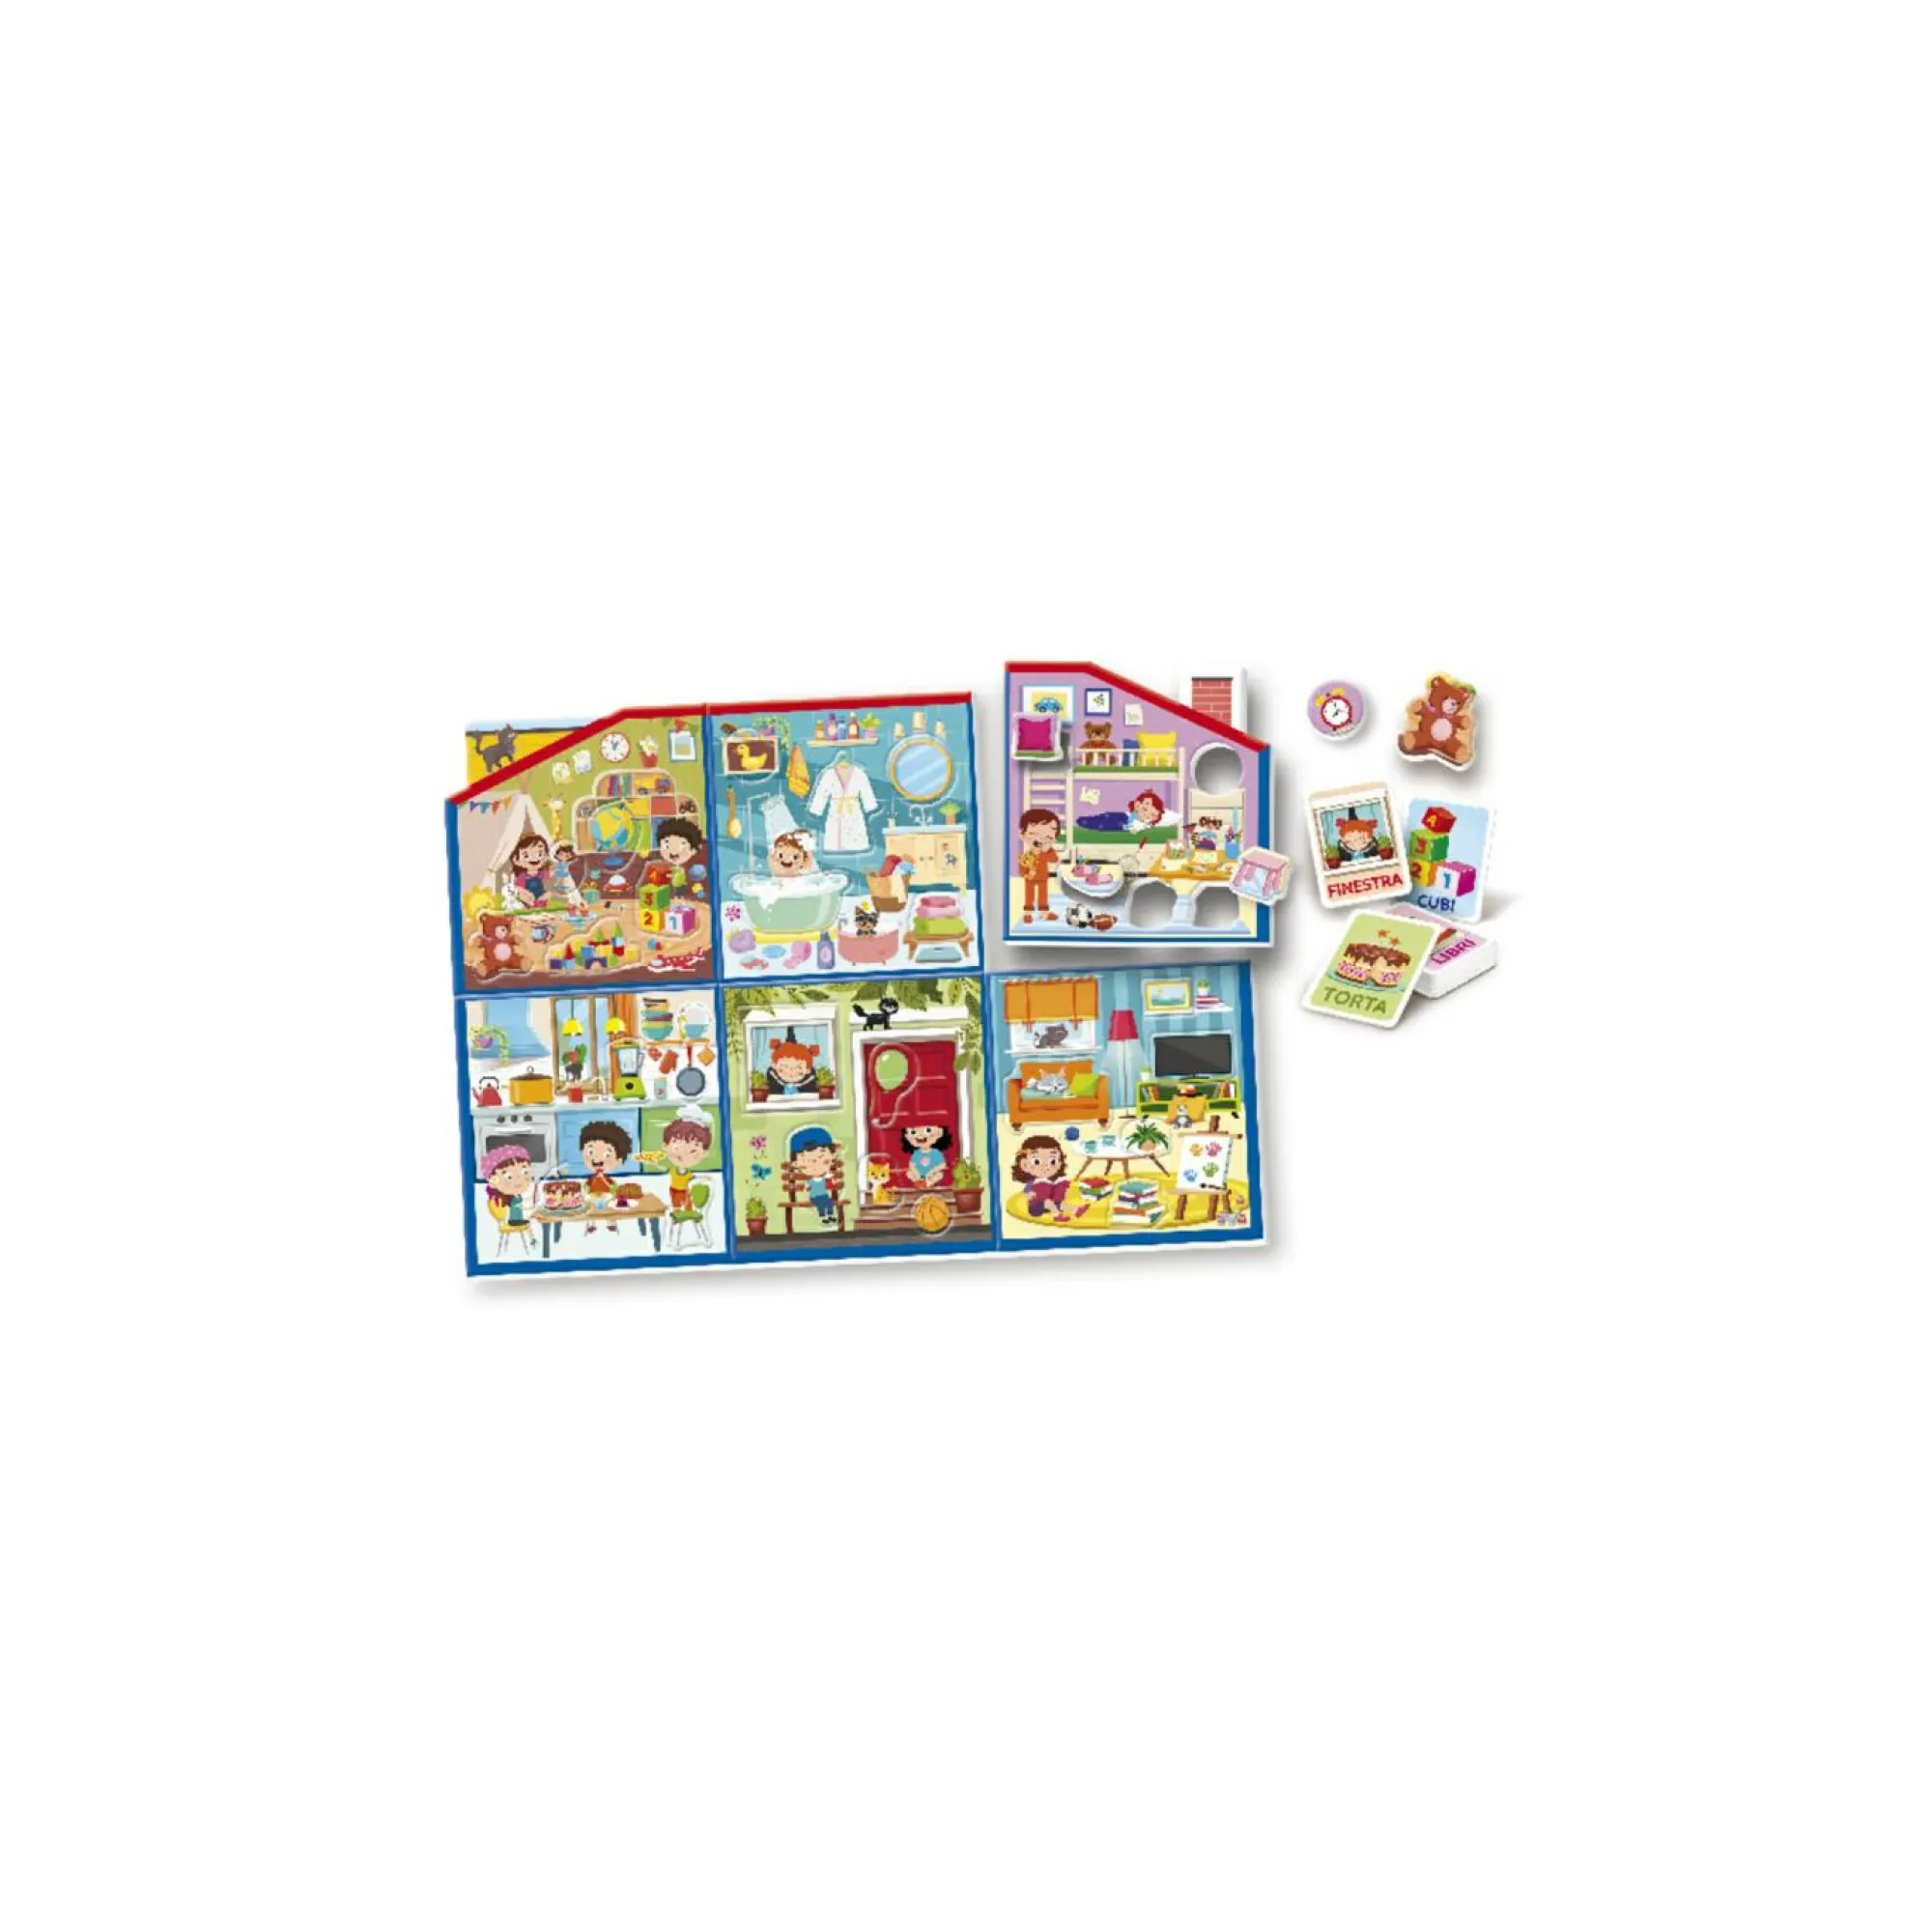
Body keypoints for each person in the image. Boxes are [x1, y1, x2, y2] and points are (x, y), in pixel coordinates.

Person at [578, 1119, 633, 1234]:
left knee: (609, 1209)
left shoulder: (608, 1179)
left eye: (607, 1154)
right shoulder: (591, 1179)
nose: (597, 1160)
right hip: (592, 1198)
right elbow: (586, 1187)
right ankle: (591, 1224)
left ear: (619, 1159)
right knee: (591, 1210)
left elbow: (613, 1188)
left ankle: (611, 1223)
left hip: (607, 1198)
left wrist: (607, 1184)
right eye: (591, 1152)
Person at [480, 1145, 537, 1255]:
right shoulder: (512, 1199)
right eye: (509, 1177)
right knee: (528, 1226)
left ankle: (533, 1245)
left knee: (529, 1226)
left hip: (516, 1220)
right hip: (513, 1222)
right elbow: (523, 1208)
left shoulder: (517, 1196)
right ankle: (532, 1245)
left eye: (525, 1172)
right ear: (493, 1181)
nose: (519, 1180)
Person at [661, 1107, 712, 1219]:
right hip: (674, 1192)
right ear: (665, 1145)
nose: (683, 1155)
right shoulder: (671, 1171)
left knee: (685, 1203)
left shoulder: (690, 1176)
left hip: (686, 1195)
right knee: (675, 1204)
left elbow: (695, 1183)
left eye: (693, 1151)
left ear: (705, 1153)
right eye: (676, 1147)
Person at [1016, 808, 1062, 923]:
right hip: (1029, 879)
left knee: (1043, 896)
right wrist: (1026, 872)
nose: (1039, 839)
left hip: (1043, 878)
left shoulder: (1046, 853)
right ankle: (1027, 913)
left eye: (1047, 837)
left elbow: (1054, 859)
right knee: (1029, 895)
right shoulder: (1025, 856)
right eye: (1033, 834)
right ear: (1022, 835)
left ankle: (1044, 913)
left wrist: (1049, 848)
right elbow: (1022, 868)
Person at [788, 1125, 840, 1223]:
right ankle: (824, 1217)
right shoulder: (811, 1180)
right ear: (795, 1164)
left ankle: (829, 1216)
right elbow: (807, 1187)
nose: (816, 1165)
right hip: (815, 1197)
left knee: (828, 1202)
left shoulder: (825, 1177)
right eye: (808, 1161)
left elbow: (830, 1180)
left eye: (822, 1158)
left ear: (833, 1155)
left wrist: (831, 1180)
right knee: (821, 1203)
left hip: (824, 1196)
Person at [1012, 1135, 1071, 1221]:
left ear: (1059, 1163)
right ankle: (1057, 1216)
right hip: (1036, 1208)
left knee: (1060, 1203)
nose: (1045, 1166)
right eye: (1036, 1161)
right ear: (1025, 1165)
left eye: (1052, 1161)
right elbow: (1026, 1193)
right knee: (1048, 1202)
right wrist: (1030, 1195)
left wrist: (1063, 1191)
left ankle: (1076, 1210)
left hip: (1051, 1204)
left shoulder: (1052, 1181)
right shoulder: (1033, 1182)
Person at [766, 1028, 820, 1095]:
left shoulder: (810, 1085)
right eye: (784, 1067)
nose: (791, 1072)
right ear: (774, 1065)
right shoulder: (772, 1083)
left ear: (807, 1070)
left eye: (799, 1068)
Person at [902, 1122, 952, 1188]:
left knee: (940, 1175)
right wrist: (917, 1175)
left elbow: (942, 1165)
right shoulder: (916, 1153)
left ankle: (929, 1183)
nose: (920, 1135)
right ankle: (919, 1183)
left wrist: (932, 1172)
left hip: (931, 1176)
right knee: (909, 1173)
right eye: (914, 1132)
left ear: (939, 1133)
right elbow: (911, 1165)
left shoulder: (935, 1153)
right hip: (919, 1177)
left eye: (928, 1130)